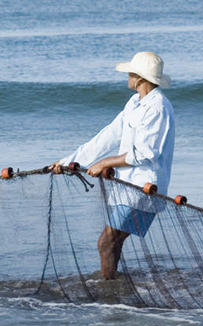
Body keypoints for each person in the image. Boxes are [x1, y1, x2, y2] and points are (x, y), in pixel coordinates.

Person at [50, 51, 175, 280]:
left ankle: (108, 294)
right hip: (128, 185)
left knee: (106, 242)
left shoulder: (158, 107)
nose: (127, 75)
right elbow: (108, 136)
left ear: (140, 77)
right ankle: (113, 289)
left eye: (131, 72)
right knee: (113, 242)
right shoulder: (135, 102)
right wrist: (69, 161)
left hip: (144, 188)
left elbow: (146, 153)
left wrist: (106, 162)